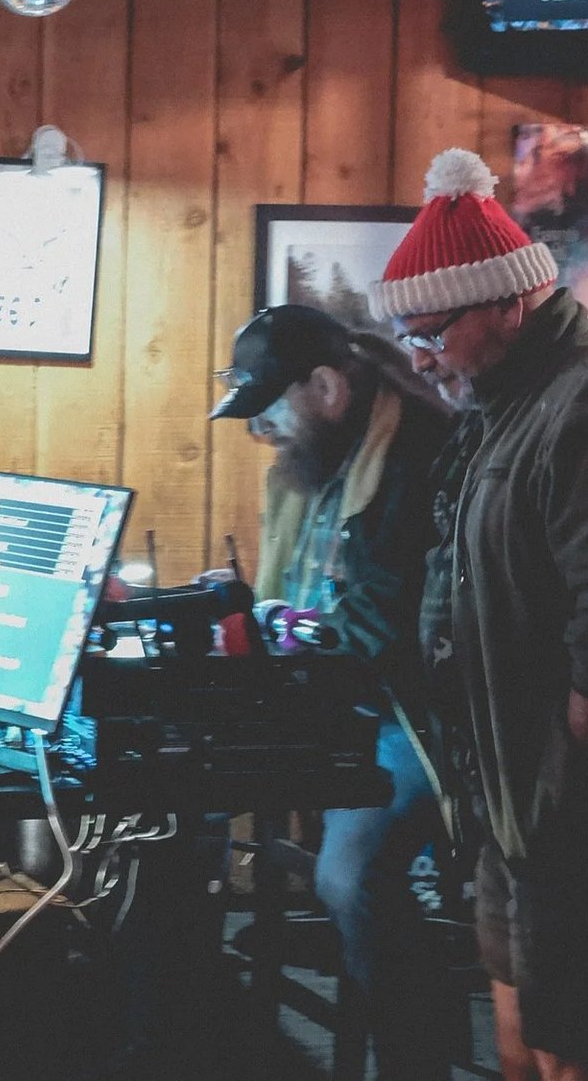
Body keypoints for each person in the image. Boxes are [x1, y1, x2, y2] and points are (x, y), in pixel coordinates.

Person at [375, 148, 588, 1081]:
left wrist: (581, 751)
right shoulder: (503, 397)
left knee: (587, 1052)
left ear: (507, 301)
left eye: (432, 332)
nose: (421, 359)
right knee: (525, 1044)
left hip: (585, 814)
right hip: (519, 805)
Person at [210, 302, 460, 1079]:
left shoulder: (418, 460)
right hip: (333, 700)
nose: (267, 430)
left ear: (325, 386)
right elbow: (317, 610)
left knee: (349, 877)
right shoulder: (322, 459)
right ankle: (212, 1022)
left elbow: (379, 631)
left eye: (274, 408)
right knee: (183, 804)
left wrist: (284, 635)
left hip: (413, 716)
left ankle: (416, 1059)